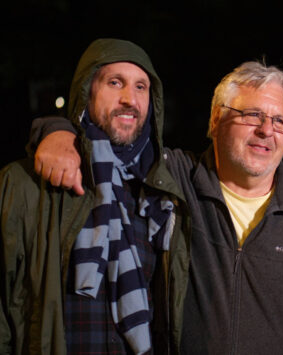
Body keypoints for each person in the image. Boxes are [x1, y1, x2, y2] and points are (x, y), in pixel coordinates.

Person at [27, 61, 283, 354]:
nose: (267, 130)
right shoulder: (175, 181)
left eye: (280, 121)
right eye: (252, 115)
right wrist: (57, 131)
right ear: (215, 119)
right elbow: (113, 144)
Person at [0, 38, 190, 355]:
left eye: (141, 87)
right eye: (115, 83)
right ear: (87, 91)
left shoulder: (160, 199)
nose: (130, 98)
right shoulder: (24, 184)